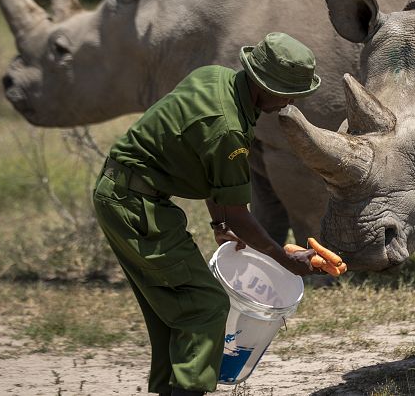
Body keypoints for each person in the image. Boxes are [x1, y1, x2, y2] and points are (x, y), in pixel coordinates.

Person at [93, 32, 320, 396]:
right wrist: (284, 260)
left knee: (174, 309)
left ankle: (174, 388)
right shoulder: (227, 128)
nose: (291, 101)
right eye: (288, 92)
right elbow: (239, 212)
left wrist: (219, 224)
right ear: (265, 85)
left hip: (127, 195)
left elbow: (212, 178)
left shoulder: (215, 77)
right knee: (206, 306)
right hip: (135, 206)